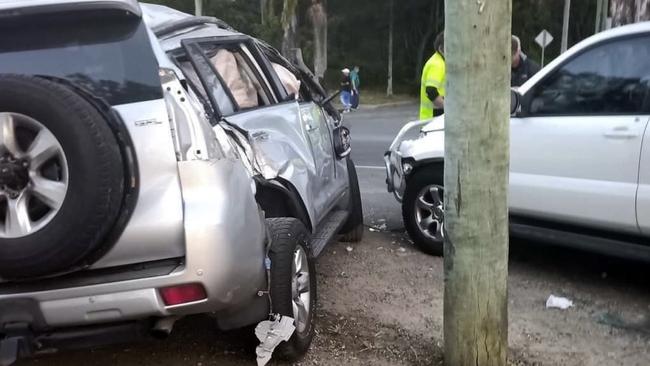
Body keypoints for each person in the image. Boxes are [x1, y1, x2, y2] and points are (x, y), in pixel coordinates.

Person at [420, 32, 446, 120]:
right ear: (441, 49)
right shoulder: (437, 64)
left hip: (435, 118)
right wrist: (448, 109)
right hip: (432, 119)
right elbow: (431, 91)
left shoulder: (441, 62)